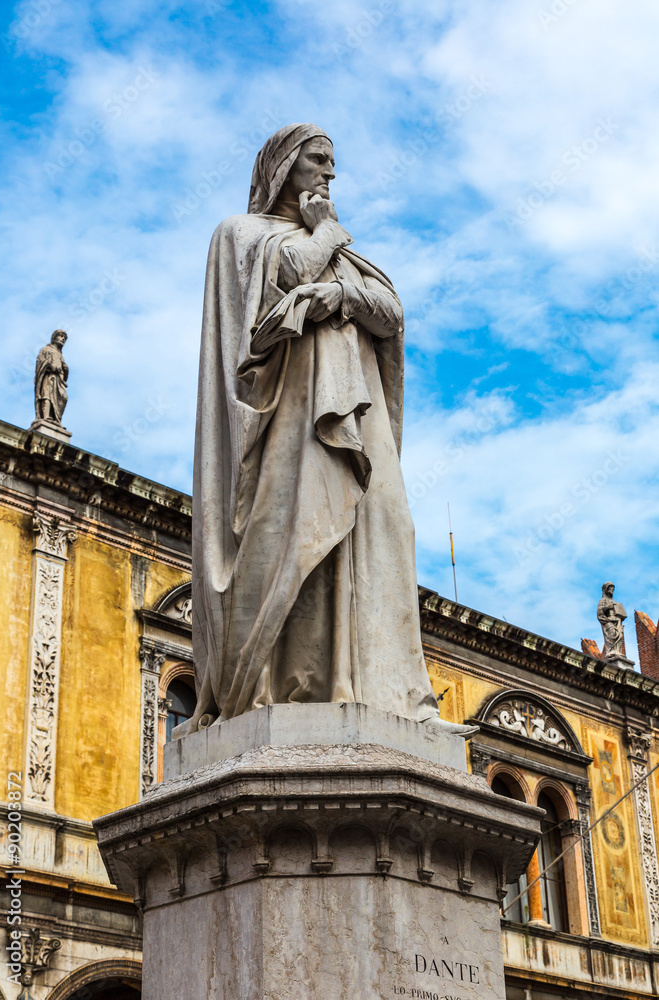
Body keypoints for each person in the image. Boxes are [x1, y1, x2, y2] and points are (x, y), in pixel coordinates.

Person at [184, 123, 475, 738]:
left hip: (355, 423)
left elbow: (389, 312)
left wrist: (337, 290)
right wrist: (328, 236)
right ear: (285, 166)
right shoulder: (239, 235)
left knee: (383, 533)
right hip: (288, 431)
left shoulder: (338, 250)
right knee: (303, 538)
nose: (330, 174)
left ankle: (376, 685)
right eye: (318, 160)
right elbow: (285, 279)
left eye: (332, 163)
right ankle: (293, 685)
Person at [34, 330, 68, 424]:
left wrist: (65, 369)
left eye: (64, 338)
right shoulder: (46, 349)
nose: (63, 339)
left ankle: (56, 418)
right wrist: (48, 366)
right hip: (48, 376)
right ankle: (46, 416)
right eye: (61, 336)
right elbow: (40, 363)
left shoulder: (60, 354)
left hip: (59, 380)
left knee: (63, 397)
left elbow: (64, 368)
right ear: (54, 338)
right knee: (47, 394)